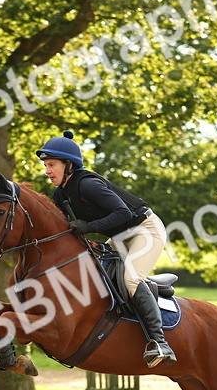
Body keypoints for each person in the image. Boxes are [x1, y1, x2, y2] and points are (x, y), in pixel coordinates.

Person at [37, 130, 177, 366]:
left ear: (69, 165)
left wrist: (89, 226)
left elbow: (123, 212)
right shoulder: (60, 194)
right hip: (120, 236)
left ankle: (160, 343)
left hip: (145, 230)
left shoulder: (88, 185)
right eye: (46, 165)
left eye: (52, 165)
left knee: (131, 279)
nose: (47, 171)